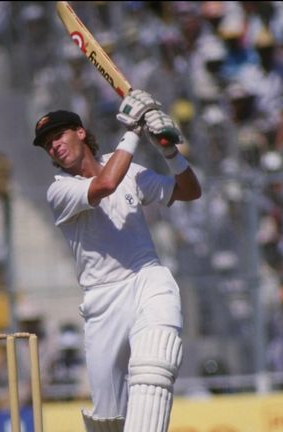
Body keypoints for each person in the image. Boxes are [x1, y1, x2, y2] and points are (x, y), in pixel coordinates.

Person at [32, 90, 201, 431]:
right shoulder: (59, 190)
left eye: (58, 135)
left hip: (147, 278)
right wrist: (136, 131)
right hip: (102, 300)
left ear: (80, 131)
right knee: (109, 419)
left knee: (154, 366)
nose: (54, 146)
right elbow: (106, 184)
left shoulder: (130, 168)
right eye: (47, 143)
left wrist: (170, 152)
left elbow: (189, 191)